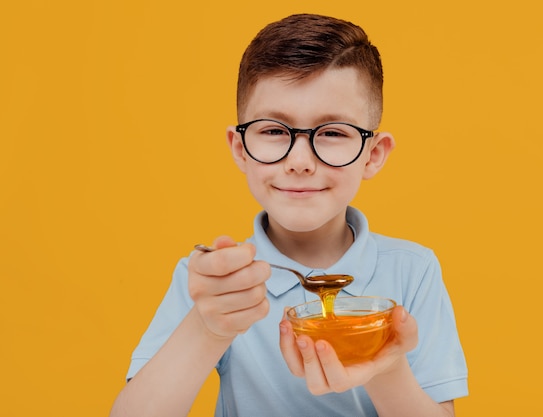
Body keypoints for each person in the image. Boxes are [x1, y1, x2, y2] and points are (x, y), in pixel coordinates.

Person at [110, 13, 468, 417]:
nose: (299, 161)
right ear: (240, 148)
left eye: (332, 133)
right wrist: (206, 328)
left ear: (373, 154)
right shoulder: (215, 285)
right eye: (274, 130)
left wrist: (385, 369)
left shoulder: (413, 271)